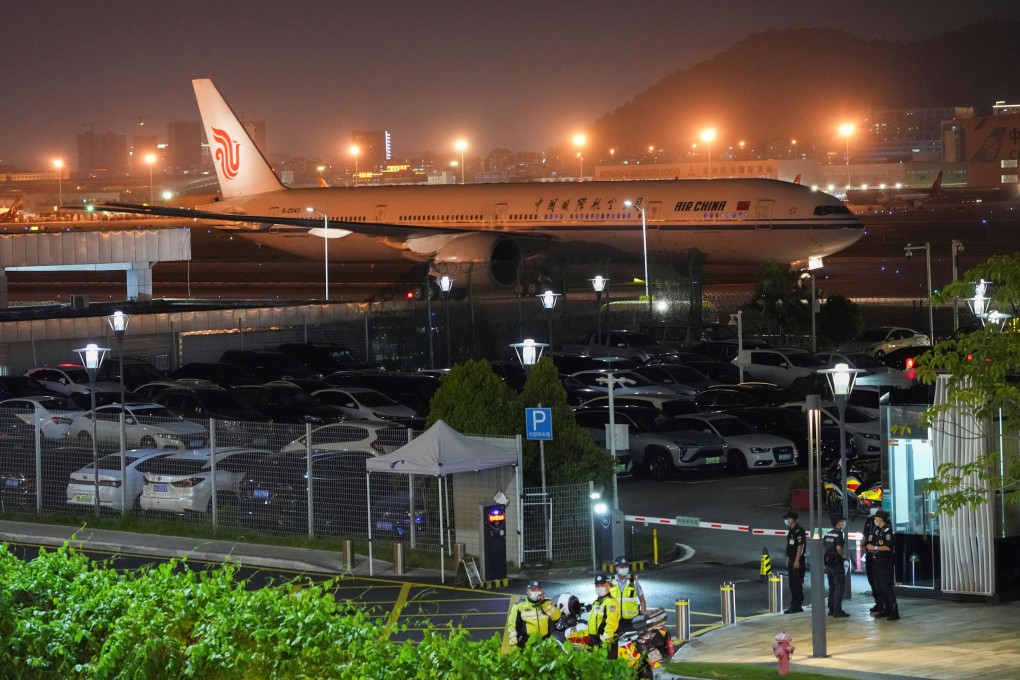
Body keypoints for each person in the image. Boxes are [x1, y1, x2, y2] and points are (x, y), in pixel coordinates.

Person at [507, 580, 560, 649]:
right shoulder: (519, 606)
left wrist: (544, 603)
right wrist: (514, 645)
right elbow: (512, 627)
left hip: (545, 643)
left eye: (538, 589)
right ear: (528, 591)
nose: (536, 592)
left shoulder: (546, 603)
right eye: (533, 590)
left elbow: (556, 617)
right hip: (527, 644)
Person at [870, 510, 900, 621]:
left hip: (885, 562)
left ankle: (894, 611)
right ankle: (885, 609)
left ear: (880, 519)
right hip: (877, 561)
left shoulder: (887, 530)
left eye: (876, 518)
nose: (875, 520)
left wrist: (875, 548)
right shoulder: (879, 530)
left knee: (886, 587)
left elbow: (888, 547)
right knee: (879, 587)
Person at [609, 556, 647, 633]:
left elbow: (642, 599)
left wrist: (644, 615)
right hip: (616, 619)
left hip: (632, 620)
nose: (624, 568)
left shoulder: (633, 581)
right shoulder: (611, 582)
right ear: (616, 568)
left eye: (626, 566)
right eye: (622, 566)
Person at [823, 514, 849, 617]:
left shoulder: (828, 534)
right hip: (837, 563)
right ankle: (837, 611)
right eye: (842, 521)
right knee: (839, 587)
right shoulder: (838, 535)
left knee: (832, 587)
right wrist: (843, 556)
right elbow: (838, 548)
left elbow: (824, 546)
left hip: (828, 562)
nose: (843, 523)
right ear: (838, 523)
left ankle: (831, 609)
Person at [588, 574, 620, 659]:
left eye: (602, 585)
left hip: (605, 641)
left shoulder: (611, 602)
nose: (599, 587)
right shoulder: (597, 602)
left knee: (607, 666)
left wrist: (605, 639)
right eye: (597, 585)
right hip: (595, 640)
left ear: (608, 585)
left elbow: (612, 622)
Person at [862, 506, 885, 614]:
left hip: (880, 556)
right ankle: (878, 603)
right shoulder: (870, 521)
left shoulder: (884, 525)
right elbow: (865, 534)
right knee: (872, 580)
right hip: (870, 555)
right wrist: (863, 546)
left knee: (880, 582)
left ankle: (884, 604)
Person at [782, 510, 806, 614]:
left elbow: (800, 546)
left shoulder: (799, 530)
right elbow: (790, 546)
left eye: (788, 518)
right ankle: (794, 604)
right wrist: (789, 558)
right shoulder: (791, 530)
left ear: (793, 519)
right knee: (792, 583)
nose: (786, 520)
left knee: (797, 583)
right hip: (792, 559)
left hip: (797, 560)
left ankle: (797, 605)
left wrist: (796, 560)